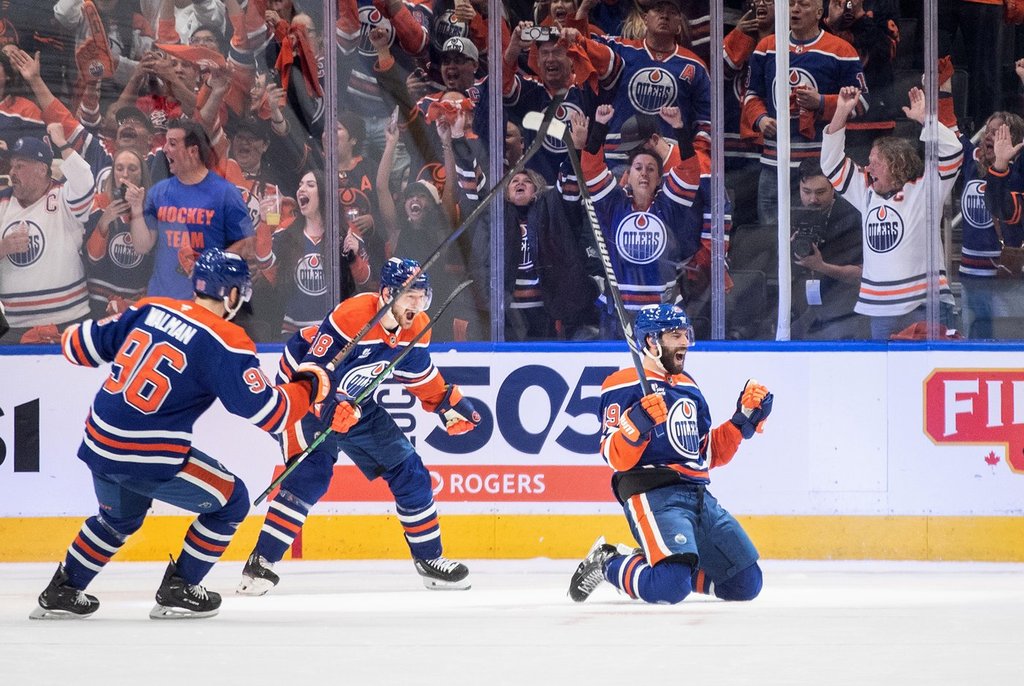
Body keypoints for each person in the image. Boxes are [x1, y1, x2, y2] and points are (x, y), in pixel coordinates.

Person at [29, 248, 328, 620]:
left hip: (99, 441)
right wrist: (310, 385)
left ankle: (64, 589)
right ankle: (181, 587)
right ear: (232, 294)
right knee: (232, 502)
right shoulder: (226, 339)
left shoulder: (152, 307)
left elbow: (79, 347)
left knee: (118, 519)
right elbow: (271, 413)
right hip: (148, 455)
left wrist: (64, 332)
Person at [238, 257, 481, 595]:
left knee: (409, 468)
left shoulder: (415, 327)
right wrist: (328, 407)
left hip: (355, 399)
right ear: (387, 295)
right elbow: (314, 370)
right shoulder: (351, 317)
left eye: (421, 296)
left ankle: (430, 561)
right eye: (410, 296)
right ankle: (261, 563)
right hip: (304, 391)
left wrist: (446, 404)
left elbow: (419, 374)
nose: (417, 304)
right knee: (311, 475)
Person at [567, 303, 772, 605]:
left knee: (746, 583)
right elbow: (613, 456)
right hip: (653, 494)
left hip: (699, 496)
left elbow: (707, 454)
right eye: (675, 335)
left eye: (686, 334)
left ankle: (667, 564)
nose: (685, 342)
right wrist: (636, 425)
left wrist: (742, 421)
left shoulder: (689, 386)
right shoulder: (622, 384)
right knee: (669, 588)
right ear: (651, 342)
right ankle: (608, 562)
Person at [822, 86, 960, 340]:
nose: (868, 166)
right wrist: (841, 111)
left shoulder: (926, 191)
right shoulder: (865, 192)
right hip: (881, 310)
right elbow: (831, 164)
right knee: (887, 378)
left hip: (925, 306)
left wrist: (925, 120)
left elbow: (952, 152)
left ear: (897, 165)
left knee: (926, 376)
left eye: (876, 161)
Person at [132, 118, 254, 300]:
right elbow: (142, 246)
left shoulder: (226, 193)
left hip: (205, 301)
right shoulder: (158, 192)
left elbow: (248, 243)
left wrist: (211, 264)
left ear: (193, 151)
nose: (165, 149)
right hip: (161, 300)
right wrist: (135, 209)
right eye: (166, 143)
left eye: (172, 143)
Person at [0, 132, 93, 342]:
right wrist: (3, 248)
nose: (12, 172)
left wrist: (62, 142)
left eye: (20, 166)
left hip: (68, 318)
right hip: (13, 326)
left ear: (42, 169)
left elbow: (84, 178)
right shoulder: (2, 202)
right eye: (12, 166)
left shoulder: (65, 197)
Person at [790, 159, 867, 339]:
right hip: (803, 306)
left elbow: (860, 275)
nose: (812, 199)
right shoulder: (790, 214)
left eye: (820, 192)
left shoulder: (853, 216)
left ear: (834, 189)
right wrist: (787, 251)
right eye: (806, 192)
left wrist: (821, 266)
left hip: (844, 305)